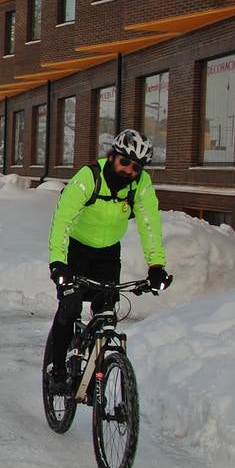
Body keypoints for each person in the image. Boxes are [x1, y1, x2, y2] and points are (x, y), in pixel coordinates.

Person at [44, 129, 170, 394]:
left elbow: (149, 224)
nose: (128, 170)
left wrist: (156, 266)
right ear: (113, 156)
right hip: (75, 251)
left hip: (108, 254)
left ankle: (98, 370)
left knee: (106, 312)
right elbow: (62, 220)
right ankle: (57, 369)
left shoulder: (140, 185)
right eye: (124, 162)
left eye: (136, 167)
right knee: (70, 307)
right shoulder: (89, 178)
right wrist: (58, 262)